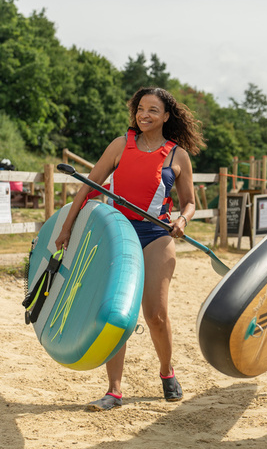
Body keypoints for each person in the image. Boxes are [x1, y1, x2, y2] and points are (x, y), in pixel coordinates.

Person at [55, 87, 203, 411]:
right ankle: (114, 390)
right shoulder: (121, 144)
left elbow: (190, 202)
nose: (144, 115)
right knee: (117, 314)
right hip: (117, 233)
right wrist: (66, 228)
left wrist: (183, 219)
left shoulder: (177, 155)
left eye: (152, 110)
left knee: (156, 314)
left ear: (166, 116)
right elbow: (88, 188)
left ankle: (166, 372)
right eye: (140, 108)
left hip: (156, 235)